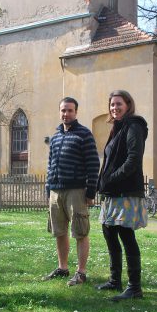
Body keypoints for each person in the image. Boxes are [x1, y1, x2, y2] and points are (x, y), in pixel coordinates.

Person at [96, 90, 148, 301]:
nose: (114, 108)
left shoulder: (134, 126)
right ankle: (114, 280)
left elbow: (133, 159)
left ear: (128, 104)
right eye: (111, 105)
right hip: (112, 191)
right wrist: (104, 182)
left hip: (125, 190)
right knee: (109, 232)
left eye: (118, 104)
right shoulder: (118, 128)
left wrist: (112, 178)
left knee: (127, 236)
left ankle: (135, 287)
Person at [44, 97, 100, 286]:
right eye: (63, 110)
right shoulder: (56, 136)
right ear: (59, 112)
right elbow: (50, 164)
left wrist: (91, 192)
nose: (65, 114)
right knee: (59, 232)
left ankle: (81, 272)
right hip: (56, 191)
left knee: (80, 232)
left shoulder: (84, 134)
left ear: (76, 112)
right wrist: (48, 189)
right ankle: (63, 268)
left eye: (69, 110)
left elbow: (93, 164)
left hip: (76, 191)